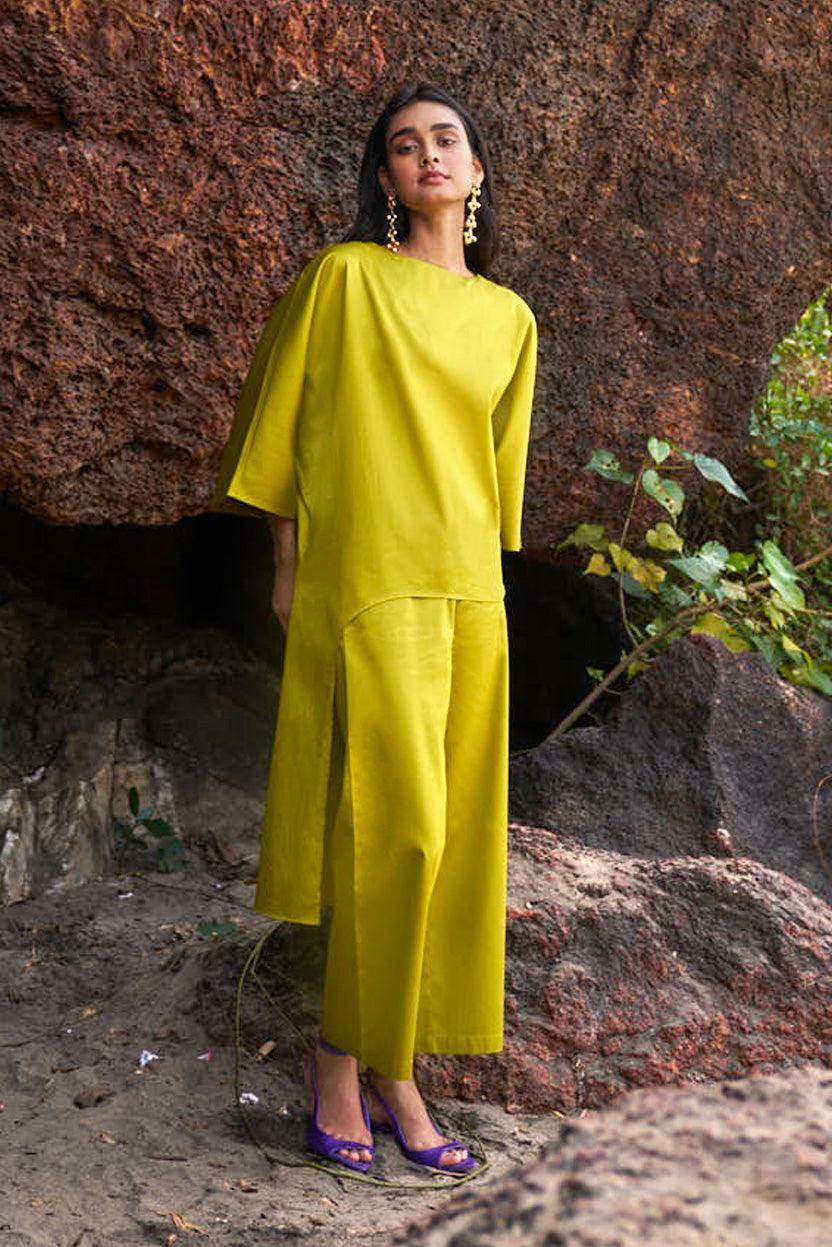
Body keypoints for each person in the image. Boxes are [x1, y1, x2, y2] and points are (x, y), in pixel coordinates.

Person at [210, 79, 538, 1175]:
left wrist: (487, 596)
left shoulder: (510, 319)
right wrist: (288, 564)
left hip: (469, 595)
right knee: (392, 832)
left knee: (453, 843)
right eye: (405, 145)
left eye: (447, 139)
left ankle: (397, 1068)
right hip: (369, 580)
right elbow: (284, 422)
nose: (428, 155)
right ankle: (343, 1062)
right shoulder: (343, 279)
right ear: (386, 177)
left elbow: (495, 482)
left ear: (476, 170)